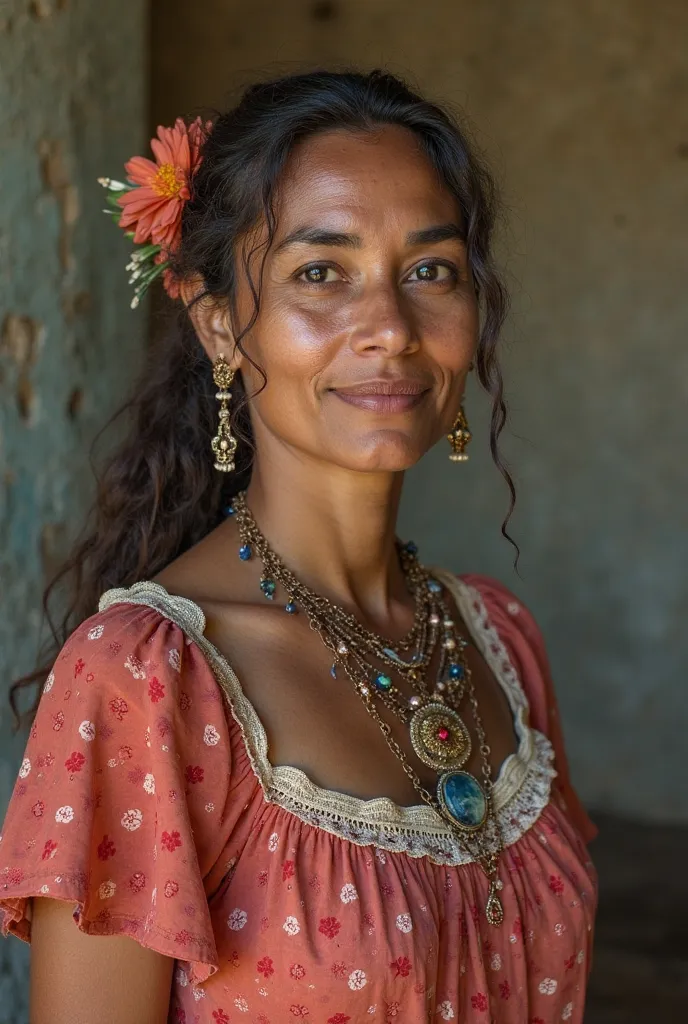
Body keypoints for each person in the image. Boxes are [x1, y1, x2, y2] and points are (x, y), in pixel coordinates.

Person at [0, 69, 597, 1024]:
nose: (392, 330)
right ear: (220, 324)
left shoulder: (497, 640)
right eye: (322, 272)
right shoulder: (147, 684)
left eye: (429, 271)